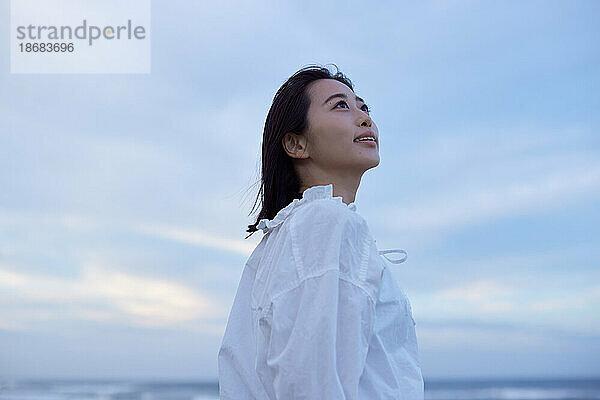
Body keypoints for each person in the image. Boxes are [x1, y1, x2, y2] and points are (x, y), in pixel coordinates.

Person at [218, 64, 424, 399]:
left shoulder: (288, 238)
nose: (364, 117)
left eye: (363, 106)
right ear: (296, 144)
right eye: (340, 105)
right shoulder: (326, 223)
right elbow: (311, 385)